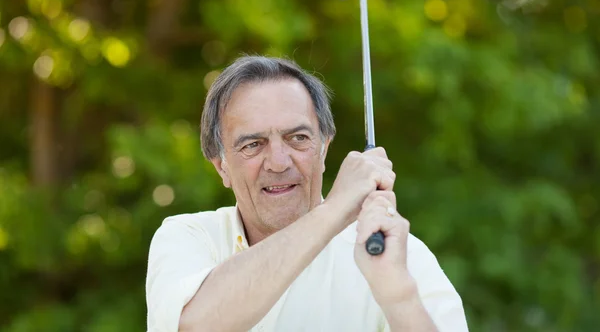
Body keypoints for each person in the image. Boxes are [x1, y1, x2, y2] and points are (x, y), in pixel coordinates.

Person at [145, 56, 469, 332]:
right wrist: (336, 209)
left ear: (324, 149)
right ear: (222, 167)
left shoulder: (395, 251)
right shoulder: (188, 237)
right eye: (252, 144)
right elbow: (193, 325)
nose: (278, 161)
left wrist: (398, 295)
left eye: (297, 138)